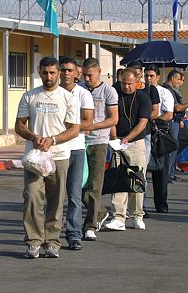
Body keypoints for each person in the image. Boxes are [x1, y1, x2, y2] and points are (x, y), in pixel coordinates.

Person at [15, 56, 80, 259]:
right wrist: (33, 137)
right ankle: (34, 241)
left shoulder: (68, 98)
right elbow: (19, 125)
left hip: (59, 156)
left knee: (56, 200)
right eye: (45, 72)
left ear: (59, 72)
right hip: (34, 158)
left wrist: (52, 139)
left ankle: (52, 242)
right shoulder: (30, 96)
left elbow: (74, 129)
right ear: (39, 71)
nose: (49, 76)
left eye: (52, 72)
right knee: (32, 196)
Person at [104, 68, 151, 231]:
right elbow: (110, 117)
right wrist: (114, 135)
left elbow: (142, 123)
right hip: (117, 142)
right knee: (119, 179)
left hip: (135, 143)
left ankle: (137, 215)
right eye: (124, 83)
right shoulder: (115, 94)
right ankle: (118, 217)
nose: (127, 87)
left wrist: (128, 138)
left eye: (130, 84)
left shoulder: (143, 98)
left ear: (137, 82)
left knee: (137, 179)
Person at [80, 58, 118, 241]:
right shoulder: (78, 89)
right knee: (77, 185)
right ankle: (100, 212)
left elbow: (113, 119)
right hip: (78, 142)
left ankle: (90, 226)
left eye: (90, 75)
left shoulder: (108, 91)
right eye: (84, 75)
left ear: (99, 71)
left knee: (94, 185)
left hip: (98, 142)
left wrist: (93, 127)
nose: (87, 78)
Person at [59, 57, 94, 250]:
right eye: (62, 70)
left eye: (69, 70)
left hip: (76, 149)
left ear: (76, 73)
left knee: (74, 195)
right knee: (54, 196)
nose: (66, 73)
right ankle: (52, 232)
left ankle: (74, 234)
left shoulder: (83, 94)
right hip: (55, 150)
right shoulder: (50, 94)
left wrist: (69, 127)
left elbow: (89, 122)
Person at [143, 64, 174, 213]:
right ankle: (139, 206)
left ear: (158, 77)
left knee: (160, 171)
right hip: (143, 132)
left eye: (151, 76)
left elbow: (169, 114)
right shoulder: (142, 91)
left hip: (159, 133)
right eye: (146, 75)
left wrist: (154, 119)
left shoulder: (164, 93)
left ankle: (161, 203)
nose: (149, 78)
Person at [163, 70, 188, 182]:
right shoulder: (168, 90)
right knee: (172, 146)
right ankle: (167, 173)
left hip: (177, 119)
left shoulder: (173, 91)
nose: (180, 82)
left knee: (179, 143)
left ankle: (170, 170)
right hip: (171, 121)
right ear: (172, 78)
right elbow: (176, 108)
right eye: (178, 79)